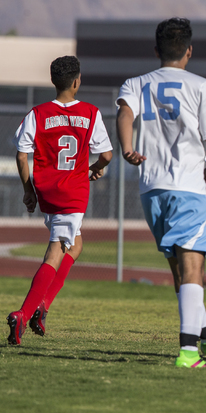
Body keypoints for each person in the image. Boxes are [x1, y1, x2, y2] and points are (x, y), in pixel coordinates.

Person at [115, 18, 206, 368]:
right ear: (190, 51)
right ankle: (188, 352)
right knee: (193, 269)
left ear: (156, 51)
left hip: (152, 190)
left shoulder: (136, 83)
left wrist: (127, 148)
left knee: (180, 273)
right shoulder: (201, 86)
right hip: (188, 189)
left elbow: (124, 113)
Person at [7, 55, 113, 345]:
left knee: (75, 246)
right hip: (72, 193)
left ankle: (42, 306)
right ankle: (24, 313)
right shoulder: (90, 112)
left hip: (47, 191)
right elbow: (106, 154)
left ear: (53, 81)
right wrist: (95, 168)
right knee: (56, 251)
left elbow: (21, 153)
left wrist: (29, 190)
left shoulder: (38, 113)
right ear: (77, 81)